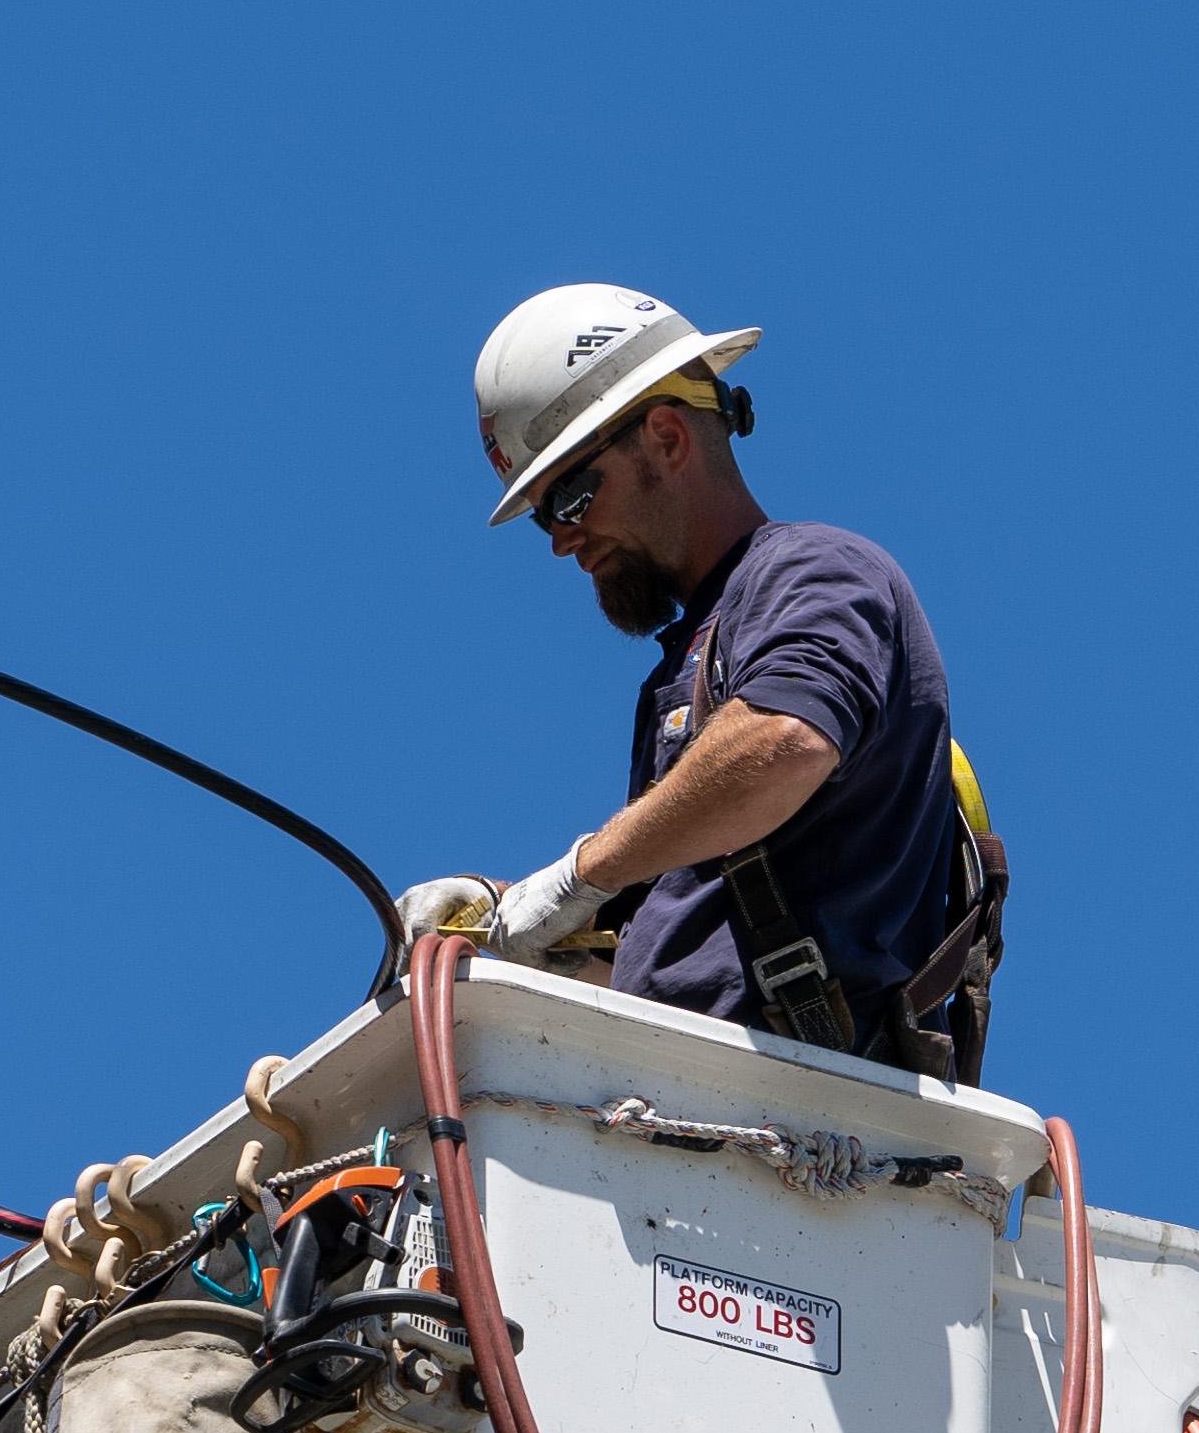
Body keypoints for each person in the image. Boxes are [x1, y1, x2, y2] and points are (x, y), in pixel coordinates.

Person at [397, 284, 1009, 1077]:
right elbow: (681, 954)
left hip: (805, 1117)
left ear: (666, 438)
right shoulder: (689, 663)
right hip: (691, 1100)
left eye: (573, 497)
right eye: (546, 516)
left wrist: (578, 876)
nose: (563, 541)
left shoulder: (814, 571)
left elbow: (789, 740)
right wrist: (513, 926)